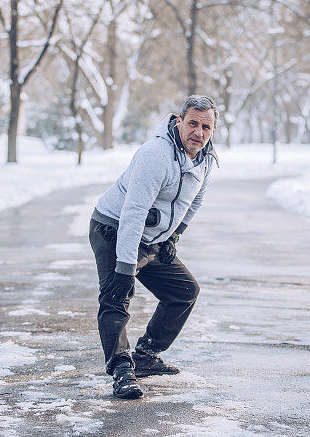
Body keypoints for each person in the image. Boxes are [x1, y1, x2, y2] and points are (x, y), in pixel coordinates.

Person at [88, 95, 219, 399]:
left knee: (184, 291)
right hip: (113, 228)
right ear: (178, 121)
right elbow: (133, 212)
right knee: (116, 296)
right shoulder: (156, 156)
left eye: (206, 127)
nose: (198, 133)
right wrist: (124, 268)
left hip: (152, 239)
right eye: (192, 124)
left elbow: (196, 199)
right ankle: (121, 370)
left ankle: (146, 355)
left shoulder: (205, 160)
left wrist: (175, 235)